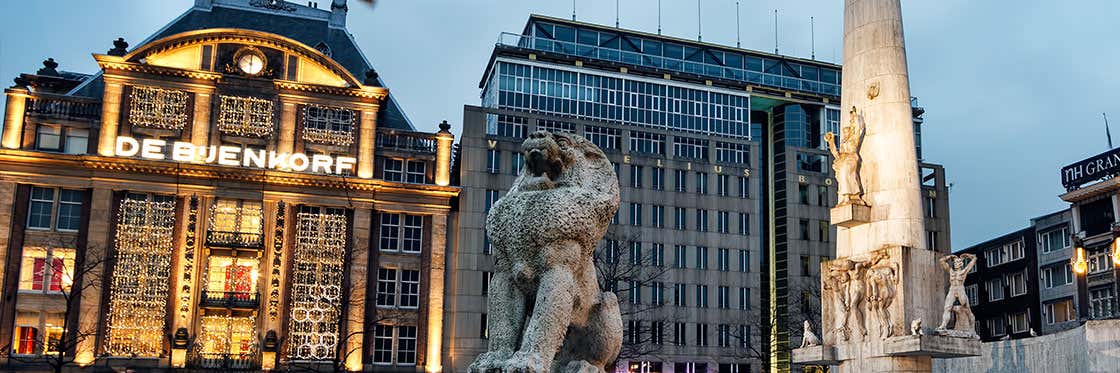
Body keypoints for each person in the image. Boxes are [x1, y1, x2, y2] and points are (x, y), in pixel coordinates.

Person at [937, 253, 977, 330]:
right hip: (952, 289)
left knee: (967, 309)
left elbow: (974, 259)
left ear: (961, 264)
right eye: (954, 262)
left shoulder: (964, 271)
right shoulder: (951, 271)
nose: (955, 264)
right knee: (947, 308)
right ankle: (943, 325)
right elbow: (941, 261)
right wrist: (950, 256)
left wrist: (967, 255)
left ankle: (972, 328)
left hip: (960, 289)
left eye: (958, 262)